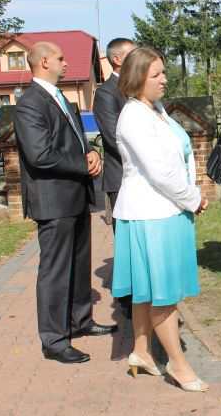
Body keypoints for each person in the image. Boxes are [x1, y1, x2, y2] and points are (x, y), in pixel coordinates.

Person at [112, 47, 209, 392]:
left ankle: (141, 352)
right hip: (151, 214)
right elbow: (160, 173)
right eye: (156, 75)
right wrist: (194, 198)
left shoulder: (155, 110)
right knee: (162, 293)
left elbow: (178, 154)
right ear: (137, 78)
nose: (164, 79)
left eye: (164, 72)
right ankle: (178, 366)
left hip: (164, 210)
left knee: (147, 291)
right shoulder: (134, 117)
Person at [13, 42, 115, 364]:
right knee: (55, 272)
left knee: (79, 263)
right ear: (44, 61)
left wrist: (93, 152)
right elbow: (40, 155)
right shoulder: (30, 103)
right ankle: (55, 340)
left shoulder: (63, 99)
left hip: (76, 196)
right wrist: (82, 164)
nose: (66, 62)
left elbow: (78, 140)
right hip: (53, 200)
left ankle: (80, 321)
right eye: (60, 57)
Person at [94, 38, 136, 317]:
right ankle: (128, 298)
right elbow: (113, 137)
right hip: (122, 177)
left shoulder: (137, 88)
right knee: (126, 240)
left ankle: (143, 291)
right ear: (118, 59)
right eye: (133, 53)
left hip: (145, 178)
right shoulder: (106, 93)